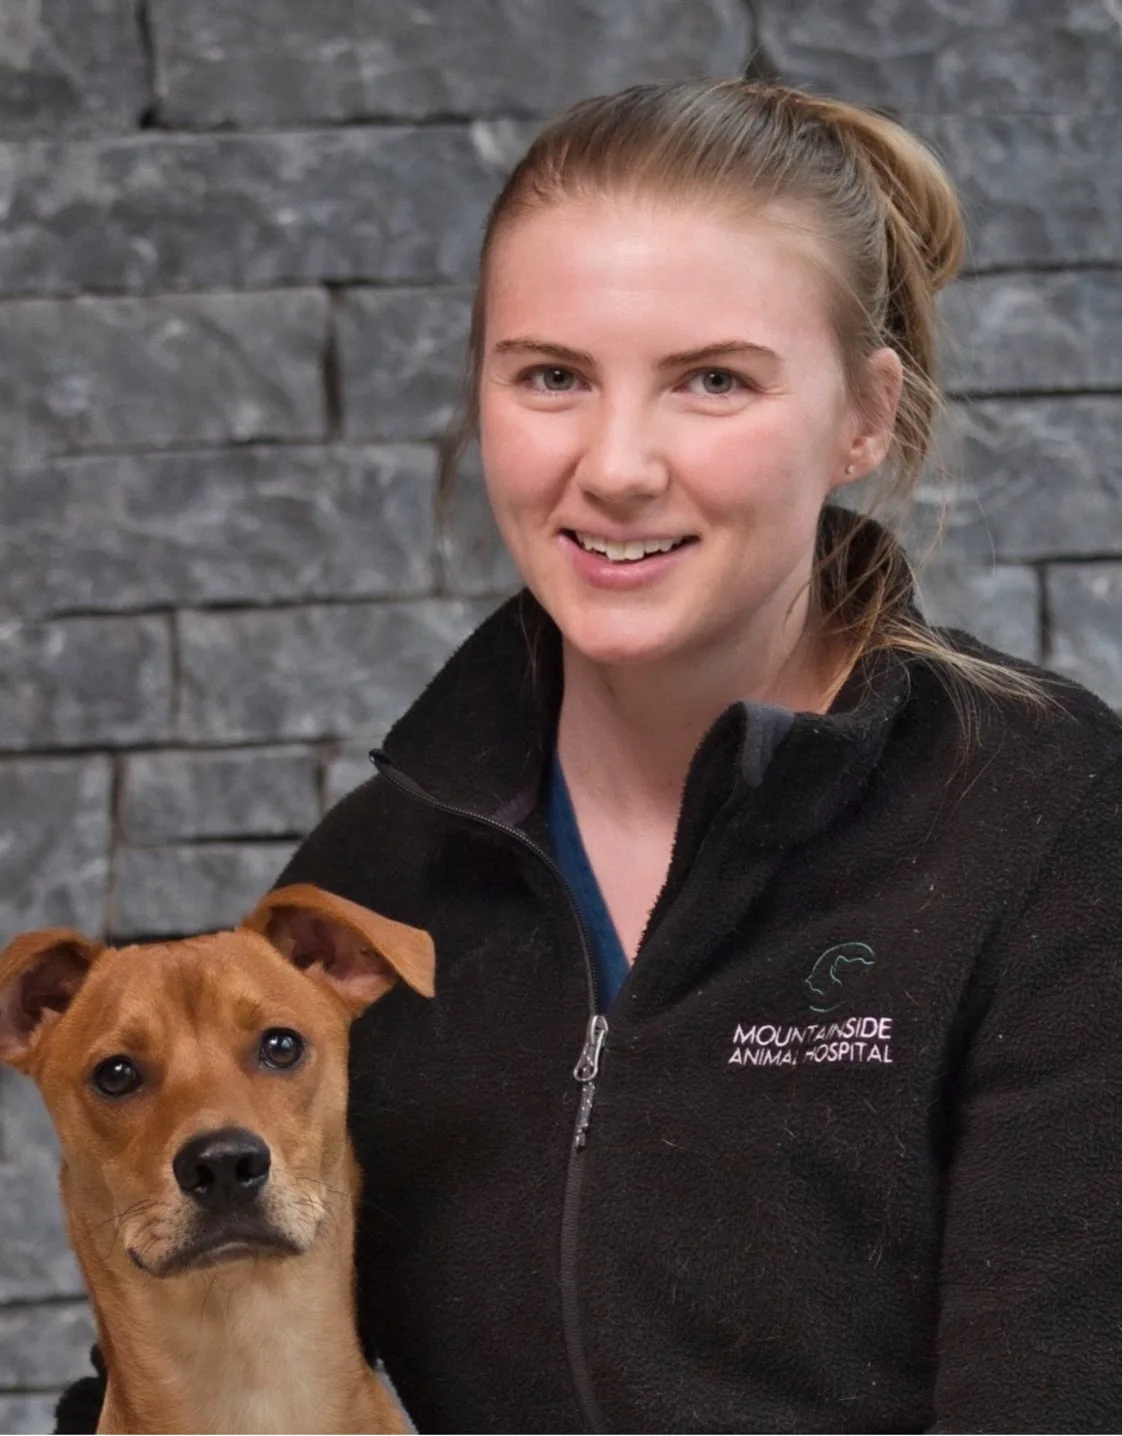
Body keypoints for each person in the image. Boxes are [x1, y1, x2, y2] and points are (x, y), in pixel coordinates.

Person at [58, 79, 1122, 1434]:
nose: (615, 465)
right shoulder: (381, 883)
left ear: (862, 418)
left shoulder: (1048, 830)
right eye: (552, 376)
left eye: (712, 381)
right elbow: (194, 1361)